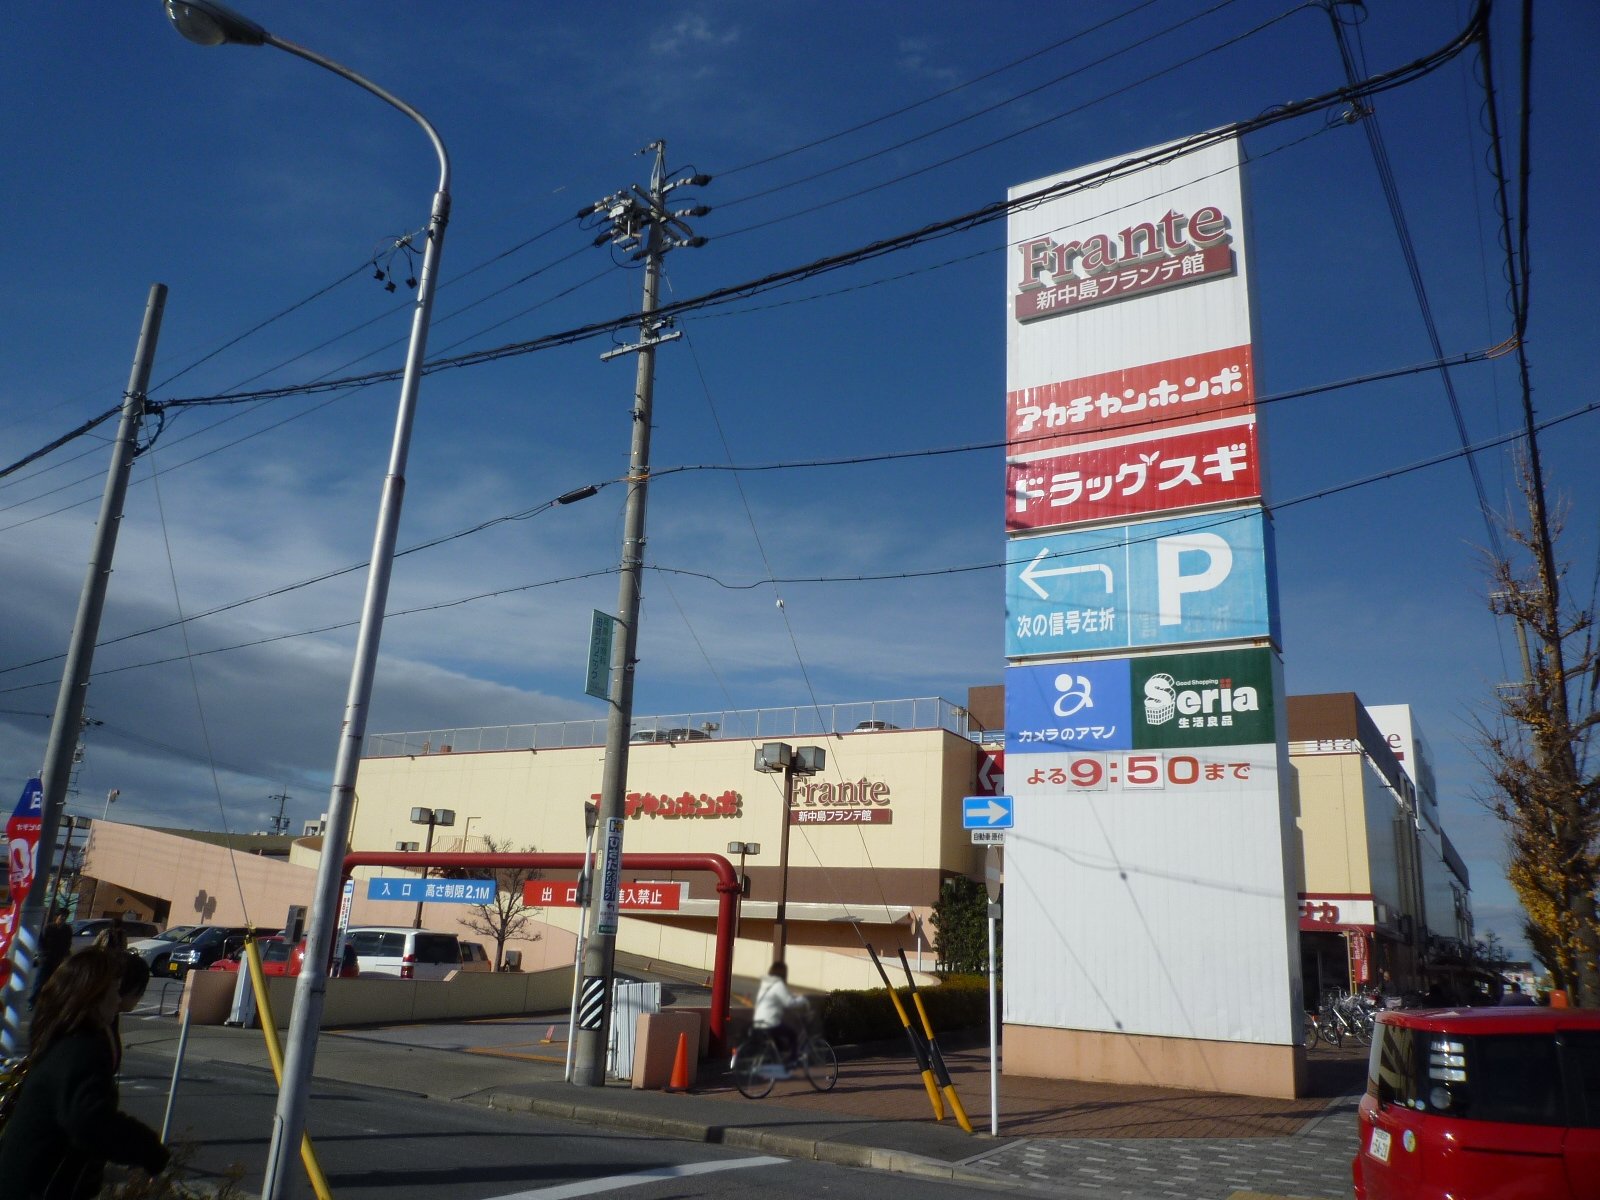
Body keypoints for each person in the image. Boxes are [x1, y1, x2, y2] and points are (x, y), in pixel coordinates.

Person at [0, 947, 170, 1199]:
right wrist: (149, 1149)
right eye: (114, 990)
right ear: (94, 995)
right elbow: (87, 1119)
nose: (117, 998)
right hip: (40, 1184)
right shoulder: (83, 1046)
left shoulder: (63, 1034)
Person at [752, 961, 809, 1065]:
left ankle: (776, 1066)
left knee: (778, 1045)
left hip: (758, 1021)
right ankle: (792, 1061)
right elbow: (788, 1003)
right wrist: (802, 1000)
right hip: (770, 1023)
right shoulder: (778, 985)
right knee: (792, 1035)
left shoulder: (766, 984)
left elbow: (781, 996)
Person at [31, 911, 73, 1007]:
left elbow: (68, 943)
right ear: (57, 917)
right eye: (61, 916)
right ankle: (32, 1001)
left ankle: (47, 1002)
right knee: (40, 981)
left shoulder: (67, 929)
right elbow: (41, 941)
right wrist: (42, 953)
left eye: (65, 917)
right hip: (46, 958)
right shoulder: (49, 927)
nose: (63, 919)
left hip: (58, 958)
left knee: (54, 981)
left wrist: (65, 954)